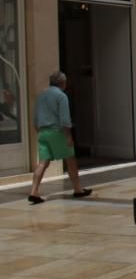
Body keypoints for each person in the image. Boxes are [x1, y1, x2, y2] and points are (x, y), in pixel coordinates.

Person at [27, 71, 92, 204]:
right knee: (70, 159)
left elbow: (35, 119)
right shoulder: (61, 96)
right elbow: (64, 119)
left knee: (43, 163)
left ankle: (34, 191)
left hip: (42, 133)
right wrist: (68, 136)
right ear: (63, 83)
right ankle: (78, 189)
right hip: (57, 132)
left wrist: (39, 131)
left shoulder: (41, 95)